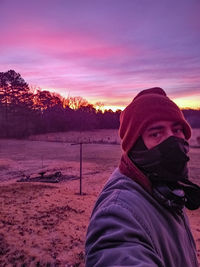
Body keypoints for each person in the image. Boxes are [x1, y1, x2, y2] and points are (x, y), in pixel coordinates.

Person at [85, 87, 200, 267]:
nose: (172, 141)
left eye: (177, 130)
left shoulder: (167, 187)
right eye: (156, 133)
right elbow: (116, 251)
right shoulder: (118, 211)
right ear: (136, 146)